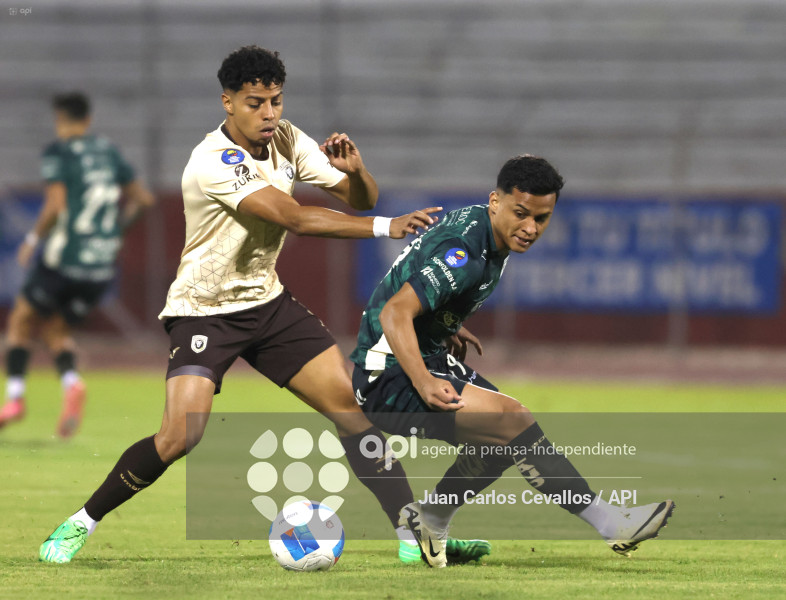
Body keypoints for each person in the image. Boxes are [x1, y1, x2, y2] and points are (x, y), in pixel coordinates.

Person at [38, 45, 470, 567]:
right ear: (227, 102)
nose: (269, 114)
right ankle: (79, 523)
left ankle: (411, 535)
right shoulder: (213, 161)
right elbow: (295, 218)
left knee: (354, 412)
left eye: (275, 101)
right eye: (255, 103)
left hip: (268, 305)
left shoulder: (286, 138)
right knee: (181, 436)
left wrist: (356, 173)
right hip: (204, 309)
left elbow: (361, 199)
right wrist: (386, 228)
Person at [350, 155, 675, 567]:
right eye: (521, 214)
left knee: (508, 442)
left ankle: (429, 519)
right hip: (388, 379)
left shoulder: (485, 231)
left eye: (541, 218)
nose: (530, 228)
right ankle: (612, 523)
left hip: (420, 355)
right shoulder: (465, 253)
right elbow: (394, 313)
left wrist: (443, 320)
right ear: (495, 201)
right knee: (514, 421)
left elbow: (414, 289)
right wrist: (423, 380)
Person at [0, 92, 155, 438]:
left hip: (64, 259)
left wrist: (31, 240)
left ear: (60, 119)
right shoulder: (110, 152)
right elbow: (143, 199)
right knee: (55, 329)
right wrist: (115, 233)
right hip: (100, 267)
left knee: (21, 320)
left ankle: (14, 400)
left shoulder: (59, 152)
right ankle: (72, 384)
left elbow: (55, 206)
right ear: (88, 119)